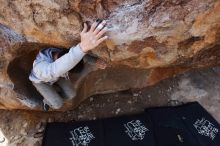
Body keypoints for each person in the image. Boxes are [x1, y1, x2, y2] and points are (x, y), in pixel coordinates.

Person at [29, 19, 108, 111]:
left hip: (57, 77)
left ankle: (53, 92)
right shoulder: (41, 68)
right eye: (67, 69)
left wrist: (95, 61)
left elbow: (76, 59)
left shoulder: (61, 53)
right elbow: (55, 69)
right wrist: (83, 47)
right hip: (41, 81)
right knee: (58, 104)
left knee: (71, 94)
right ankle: (46, 101)